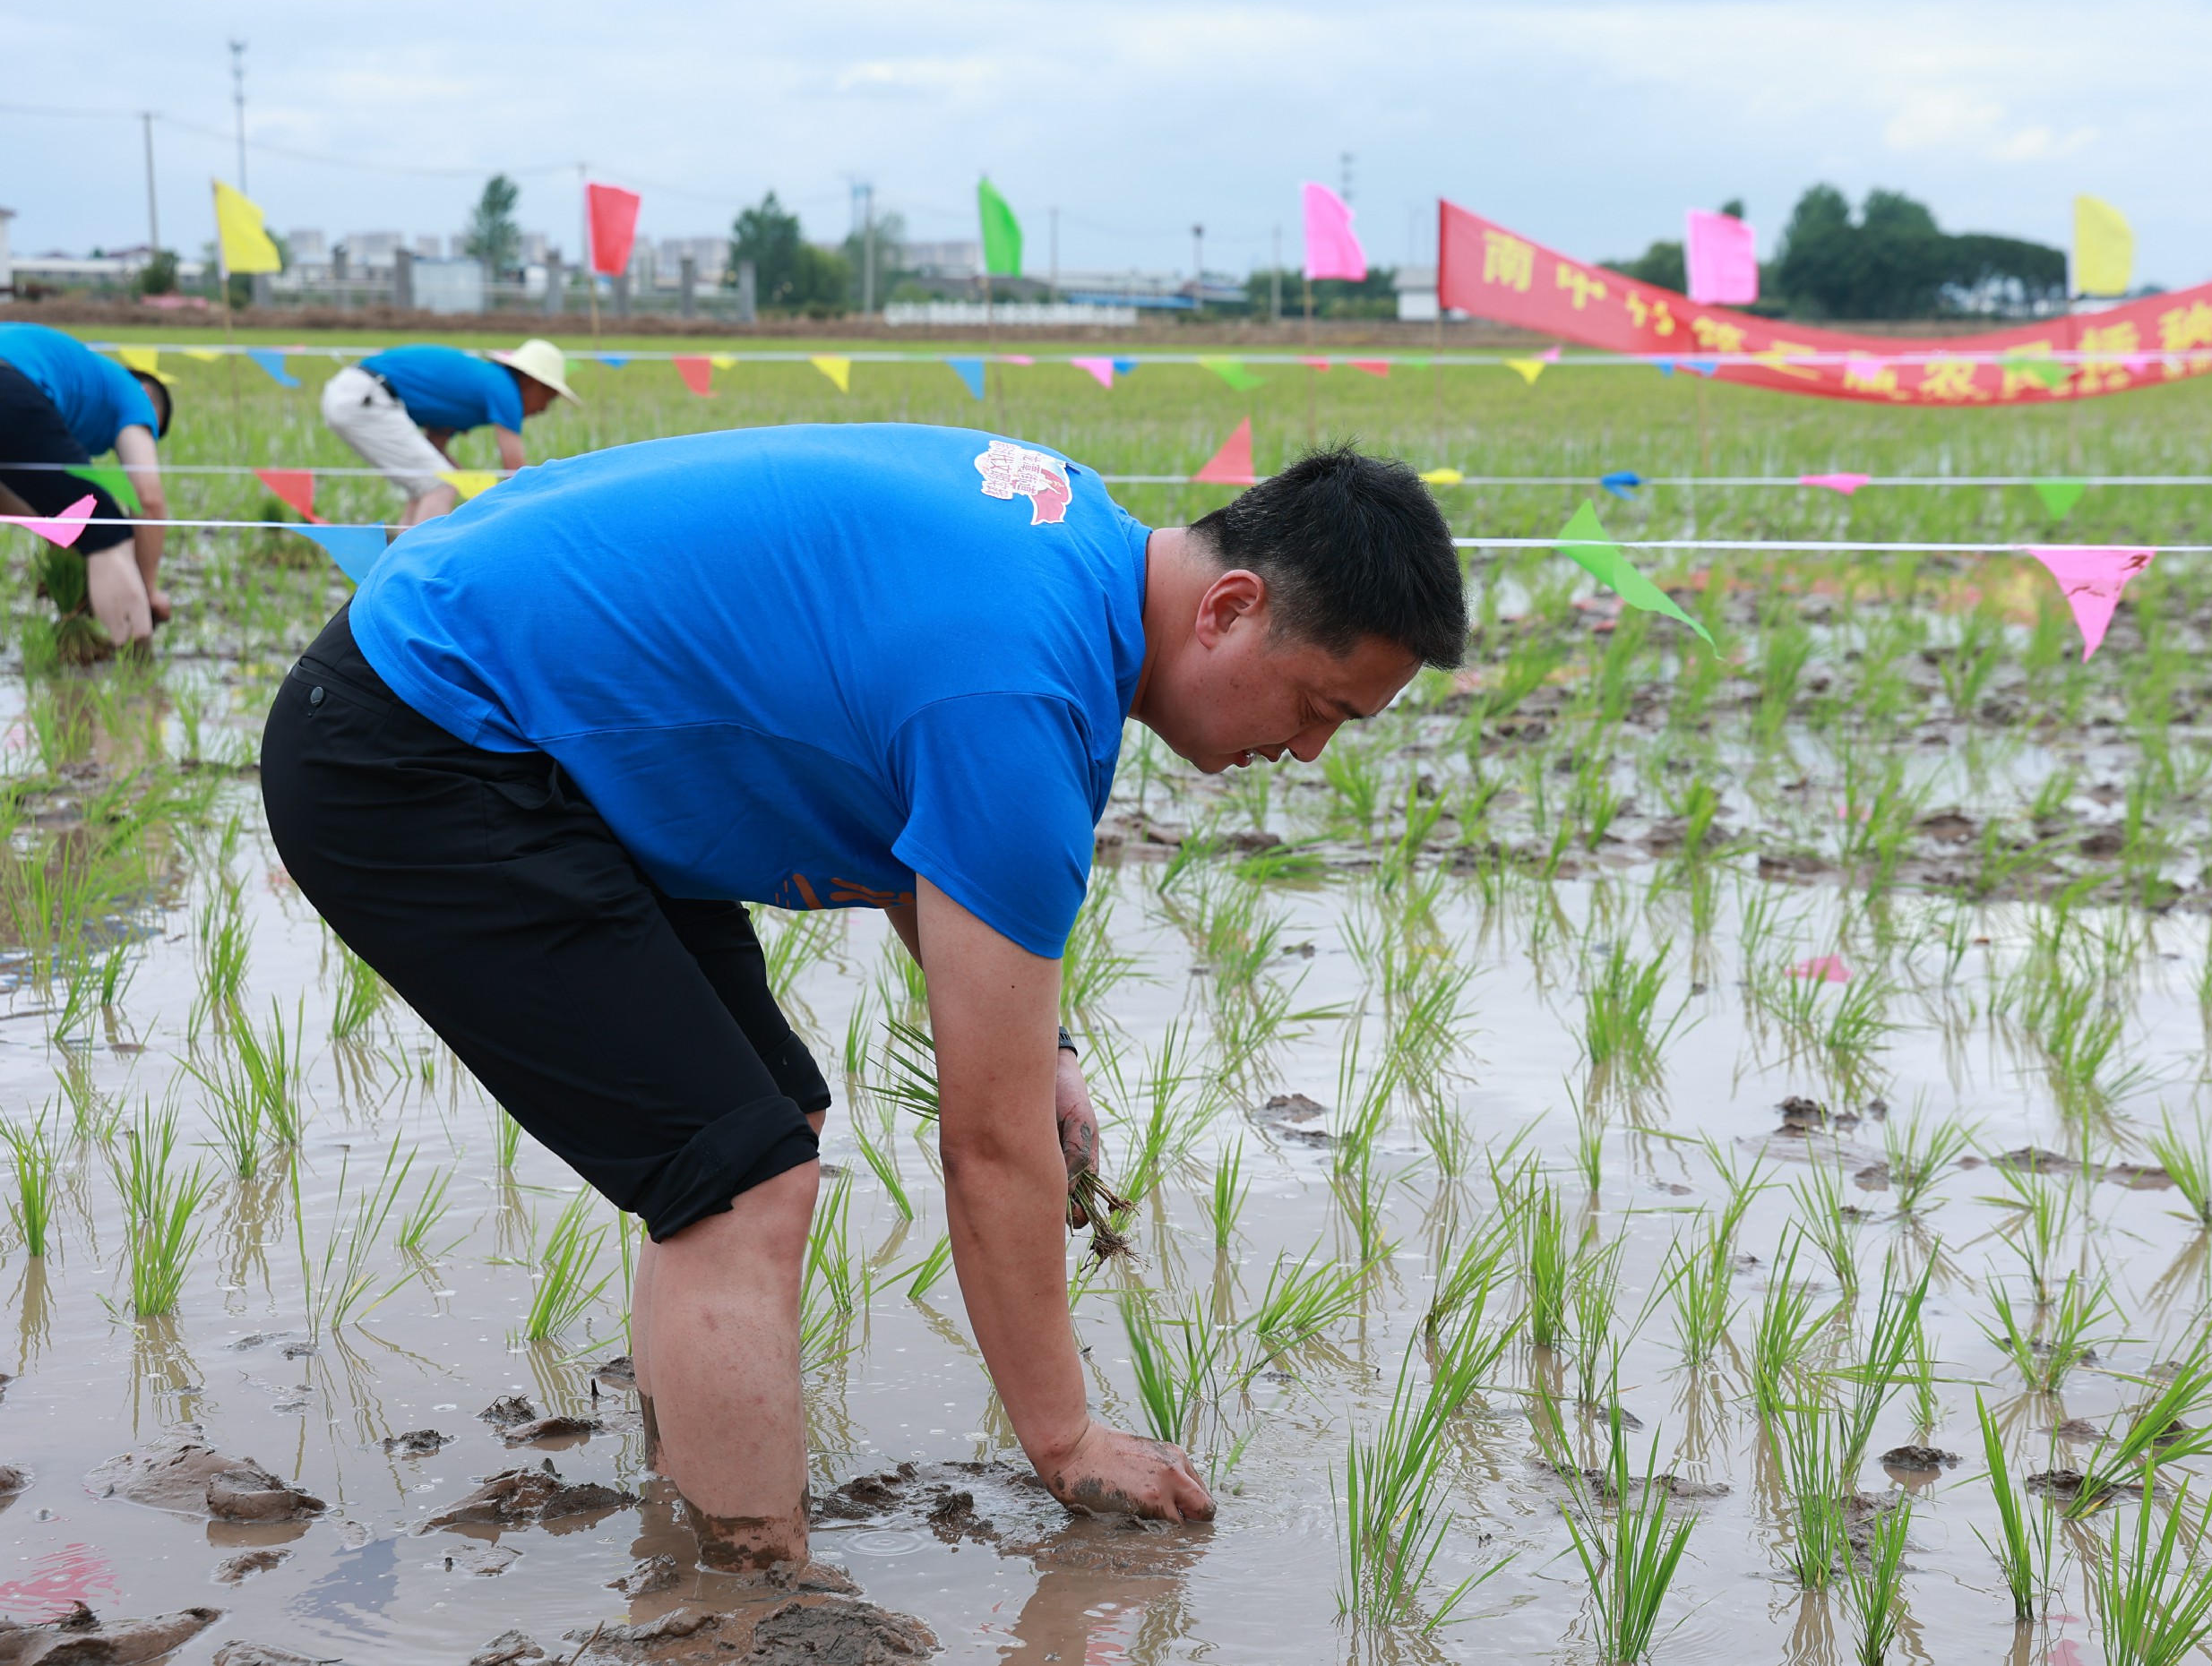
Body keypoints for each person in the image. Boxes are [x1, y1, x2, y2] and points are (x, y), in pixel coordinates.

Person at [260, 424, 1467, 1571]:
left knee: (763, 1134)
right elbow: (989, 1150)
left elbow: (923, 830)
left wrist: (1041, 1046)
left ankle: (695, 1522)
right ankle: (747, 1593)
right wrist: (1066, 1441)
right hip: (421, 739)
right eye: (1317, 706)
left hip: (544, 731)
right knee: (738, 1178)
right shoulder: (1022, 699)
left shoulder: (1072, 540)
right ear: (1232, 606)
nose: (1308, 752)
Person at [0, 322, 173, 647]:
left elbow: (50, 509)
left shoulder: (71, 385)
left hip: (12, 394)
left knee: (73, 517)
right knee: (105, 526)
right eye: (150, 428)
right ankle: (136, 663)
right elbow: (148, 498)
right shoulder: (133, 393)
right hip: (7, 386)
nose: (145, 431)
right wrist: (147, 589)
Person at [319, 338, 577, 528]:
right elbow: (516, 472)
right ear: (531, 382)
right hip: (365, 396)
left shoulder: (481, 385)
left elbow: (435, 448)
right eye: (549, 397)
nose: (544, 409)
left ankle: (394, 561)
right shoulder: (504, 389)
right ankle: (414, 569)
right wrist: (539, 519)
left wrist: (468, 484)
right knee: (440, 486)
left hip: (353, 392)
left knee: (427, 485)